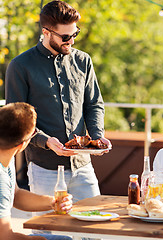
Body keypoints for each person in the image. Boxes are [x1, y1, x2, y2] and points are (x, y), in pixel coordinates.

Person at [5, 0, 111, 206]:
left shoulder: (83, 61)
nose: (71, 41)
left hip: (83, 166)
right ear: (46, 32)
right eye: (65, 37)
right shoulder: (20, 66)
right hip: (44, 169)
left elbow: (94, 104)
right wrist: (46, 141)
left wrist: (98, 137)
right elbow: (17, 121)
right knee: (49, 232)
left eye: (75, 34)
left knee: (94, 229)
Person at [0, 102, 73, 240]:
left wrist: (52, 202)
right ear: (23, 144)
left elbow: (15, 195)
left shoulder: (6, 156)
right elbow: (5, 237)